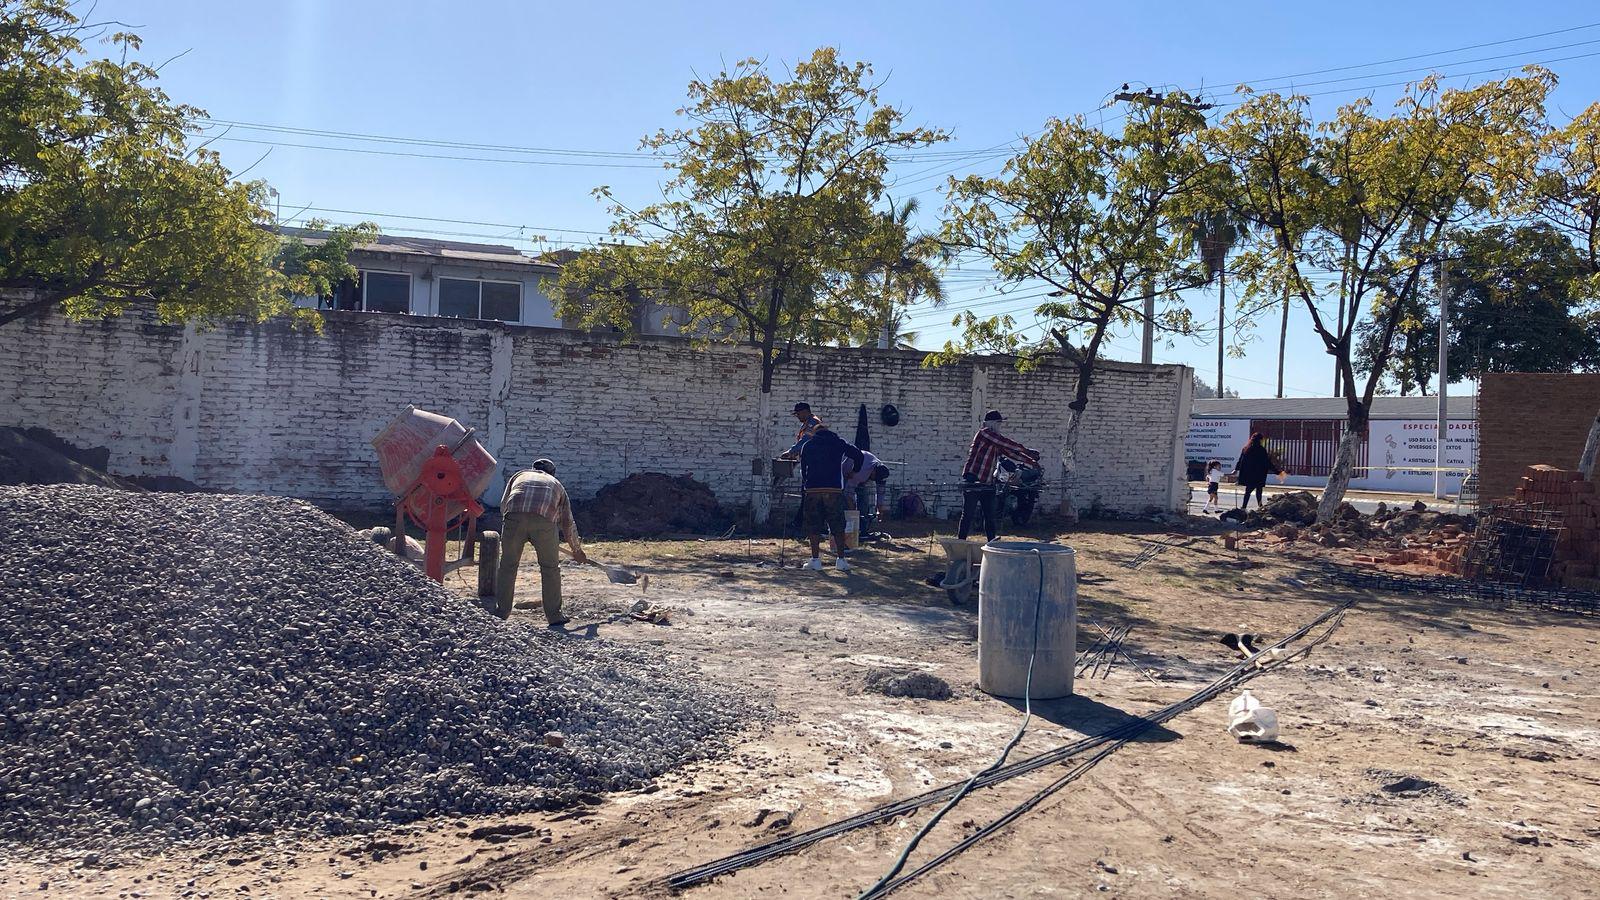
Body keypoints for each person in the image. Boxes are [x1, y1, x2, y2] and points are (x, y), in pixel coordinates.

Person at [495, 459, 586, 626]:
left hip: (514, 518)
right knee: (550, 568)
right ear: (552, 473)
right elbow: (567, 523)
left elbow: (503, 506)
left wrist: (515, 525)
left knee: (507, 565)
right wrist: (576, 550)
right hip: (544, 522)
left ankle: (501, 612)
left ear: (533, 469)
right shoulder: (556, 484)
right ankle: (554, 616)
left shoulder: (519, 476)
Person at [959, 410, 1040, 542]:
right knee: (968, 514)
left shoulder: (995, 439)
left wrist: (1030, 461)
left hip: (988, 481)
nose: (1000, 425)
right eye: (998, 423)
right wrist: (1027, 450)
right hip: (973, 478)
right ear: (991, 423)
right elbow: (1006, 443)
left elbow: (1011, 453)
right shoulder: (984, 433)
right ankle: (961, 542)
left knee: (990, 515)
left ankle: (991, 543)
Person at [799, 426, 865, 571]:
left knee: (814, 525)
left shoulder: (808, 445)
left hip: (813, 489)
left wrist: (806, 483)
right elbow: (859, 455)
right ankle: (841, 560)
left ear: (815, 433)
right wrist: (854, 471)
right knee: (837, 524)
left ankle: (815, 560)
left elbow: (803, 469)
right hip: (833, 489)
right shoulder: (839, 443)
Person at [1232, 433, 1286, 512]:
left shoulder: (1246, 449)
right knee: (1259, 491)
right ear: (1260, 440)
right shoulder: (1261, 450)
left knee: (1248, 491)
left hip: (1249, 474)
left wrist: (1236, 469)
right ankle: (1260, 506)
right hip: (1259, 474)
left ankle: (1244, 507)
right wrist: (1277, 472)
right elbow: (1267, 462)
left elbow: (1240, 460)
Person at [844, 451, 891, 538]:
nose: (874, 480)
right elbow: (849, 490)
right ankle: (847, 530)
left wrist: (880, 508)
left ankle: (862, 530)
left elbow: (881, 491)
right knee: (848, 505)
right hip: (846, 473)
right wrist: (852, 507)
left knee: (864, 502)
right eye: (875, 478)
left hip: (860, 476)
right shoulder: (861, 472)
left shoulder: (880, 470)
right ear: (873, 472)